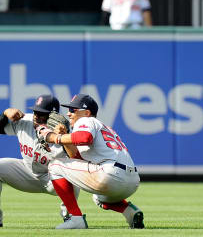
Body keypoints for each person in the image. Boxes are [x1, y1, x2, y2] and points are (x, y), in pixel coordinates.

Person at [39, 94, 144, 229]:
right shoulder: (104, 127)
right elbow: (78, 159)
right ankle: (130, 212)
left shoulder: (86, 121)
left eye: (73, 110)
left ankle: (75, 218)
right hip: (132, 181)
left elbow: (85, 137)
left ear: (87, 112)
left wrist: (55, 138)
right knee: (98, 197)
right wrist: (65, 137)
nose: (68, 113)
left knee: (55, 166)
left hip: (111, 174)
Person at [0, 95, 79, 228]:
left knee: (74, 174)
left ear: (53, 116)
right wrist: (5, 113)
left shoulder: (62, 130)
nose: (36, 116)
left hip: (53, 179)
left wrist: (62, 136)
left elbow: (75, 157)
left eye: (41, 113)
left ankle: (71, 217)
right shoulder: (25, 121)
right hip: (26, 173)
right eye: (35, 111)